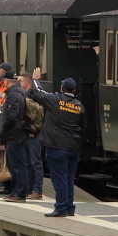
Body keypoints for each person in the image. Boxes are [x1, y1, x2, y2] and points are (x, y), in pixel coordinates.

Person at [27, 77, 85, 217]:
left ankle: (60, 207)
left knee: (58, 178)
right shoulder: (79, 106)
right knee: (68, 179)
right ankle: (70, 207)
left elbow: (36, 93)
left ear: (61, 88)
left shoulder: (55, 100)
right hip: (73, 147)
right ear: (74, 90)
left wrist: (35, 79)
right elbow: (83, 127)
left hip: (56, 146)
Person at [0, 73, 33, 202]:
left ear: (7, 81)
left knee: (17, 166)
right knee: (15, 165)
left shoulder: (14, 94)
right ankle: (16, 192)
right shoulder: (19, 92)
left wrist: (4, 130)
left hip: (15, 135)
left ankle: (19, 193)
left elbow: (12, 116)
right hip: (16, 134)